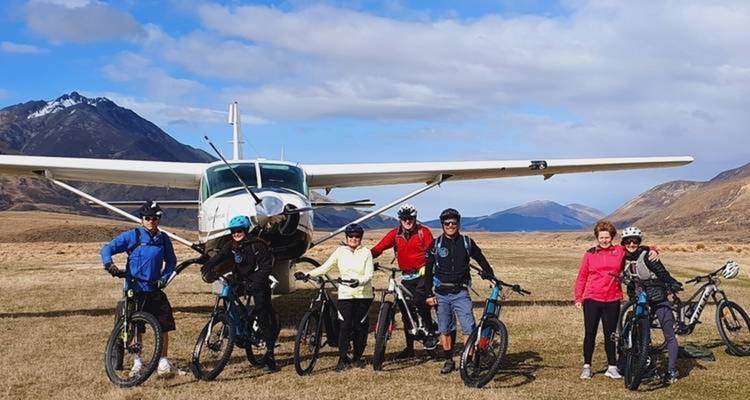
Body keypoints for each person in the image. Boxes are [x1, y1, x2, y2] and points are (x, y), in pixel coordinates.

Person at [574, 220, 659, 380]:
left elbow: (637, 249)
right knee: (590, 333)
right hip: (592, 298)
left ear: (612, 237)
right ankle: (587, 366)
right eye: (601, 238)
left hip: (612, 299)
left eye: (607, 237)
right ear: (597, 238)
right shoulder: (590, 254)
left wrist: (653, 250)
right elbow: (582, 277)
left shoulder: (620, 251)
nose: (604, 240)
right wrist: (579, 297)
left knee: (611, 335)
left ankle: (612, 367)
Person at [100, 200, 177, 377]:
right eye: (148, 218)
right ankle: (137, 361)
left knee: (164, 325)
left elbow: (171, 261)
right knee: (136, 327)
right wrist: (109, 265)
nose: (151, 221)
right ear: (142, 219)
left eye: (155, 218)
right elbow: (107, 249)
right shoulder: (132, 236)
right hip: (135, 288)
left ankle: (163, 361)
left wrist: (164, 278)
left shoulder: (163, 239)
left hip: (154, 288)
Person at [200, 215, 280, 372]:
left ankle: (270, 356)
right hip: (241, 280)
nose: (236, 234)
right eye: (233, 231)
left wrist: (256, 282)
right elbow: (219, 256)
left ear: (245, 230)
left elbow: (265, 267)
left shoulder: (258, 245)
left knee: (263, 315)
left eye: (239, 231)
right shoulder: (232, 245)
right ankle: (237, 325)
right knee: (228, 297)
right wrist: (207, 266)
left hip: (258, 283)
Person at [425, 208, 496, 374]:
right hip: (441, 293)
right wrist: (429, 294)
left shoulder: (467, 242)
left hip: (460, 292)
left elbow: (480, 258)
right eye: (447, 223)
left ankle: (468, 362)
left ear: (458, 224)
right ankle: (448, 360)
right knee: (445, 329)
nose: (450, 225)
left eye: (453, 223)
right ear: (442, 225)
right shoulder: (435, 245)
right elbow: (428, 270)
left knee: (468, 328)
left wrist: (490, 275)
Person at [295, 223, 374, 372]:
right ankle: (342, 359)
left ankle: (357, 358)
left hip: (363, 295)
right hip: (345, 294)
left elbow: (369, 274)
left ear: (361, 238)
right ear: (346, 237)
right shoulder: (340, 252)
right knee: (344, 326)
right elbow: (325, 267)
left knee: (359, 327)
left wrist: (359, 281)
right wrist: (308, 274)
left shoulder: (366, 253)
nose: (354, 239)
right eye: (351, 236)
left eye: (357, 236)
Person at [370, 203, 435, 359]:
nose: (407, 221)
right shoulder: (395, 234)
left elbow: (432, 252)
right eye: (404, 218)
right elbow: (379, 248)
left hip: (422, 274)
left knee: (420, 301)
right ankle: (409, 348)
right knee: (406, 311)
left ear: (415, 218)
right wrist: (364, 258)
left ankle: (430, 332)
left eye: (410, 218)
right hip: (406, 276)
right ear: (400, 219)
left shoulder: (423, 232)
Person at [621, 226, 682, 385]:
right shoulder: (622, 257)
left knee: (668, 332)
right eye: (628, 241)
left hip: (657, 296)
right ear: (624, 243)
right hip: (638, 298)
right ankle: (644, 362)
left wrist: (672, 283)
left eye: (634, 241)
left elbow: (662, 272)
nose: (631, 244)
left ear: (639, 242)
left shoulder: (648, 256)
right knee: (640, 333)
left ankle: (671, 370)